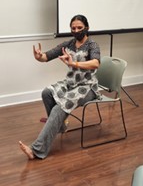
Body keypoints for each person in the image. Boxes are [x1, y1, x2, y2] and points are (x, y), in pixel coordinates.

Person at [19, 14, 102, 159]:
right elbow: (47, 56)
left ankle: (36, 150)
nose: (76, 30)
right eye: (73, 28)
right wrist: (39, 56)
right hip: (71, 84)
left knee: (59, 108)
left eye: (79, 28)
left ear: (87, 28)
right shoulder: (68, 44)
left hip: (87, 87)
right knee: (47, 93)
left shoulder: (93, 45)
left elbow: (96, 63)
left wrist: (74, 63)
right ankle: (61, 125)